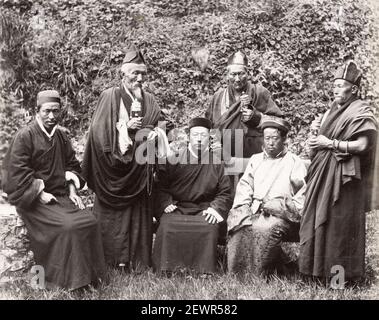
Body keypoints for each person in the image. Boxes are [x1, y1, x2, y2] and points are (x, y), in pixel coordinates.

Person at [1, 90, 105, 290]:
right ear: (36, 111)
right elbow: (16, 174)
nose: (51, 116)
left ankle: (89, 279)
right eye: (47, 111)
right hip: (33, 199)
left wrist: (73, 191)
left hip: (60, 195)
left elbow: (72, 166)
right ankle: (61, 281)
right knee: (68, 227)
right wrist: (39, 192)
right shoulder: (25, 136)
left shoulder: (61, 136)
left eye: (55, 111)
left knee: (89, 221)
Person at [82, 45, 171, 271]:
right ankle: (109, 262)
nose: (139, 78)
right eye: (135, 73)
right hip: (114, 170)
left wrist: (155, 132)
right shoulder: (109, 97)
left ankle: (137, 261)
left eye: (143, 74)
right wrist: (123, 129)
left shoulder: (149, 99)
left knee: (138, 216)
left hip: (139, 170)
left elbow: (163, 122)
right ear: (123, 73)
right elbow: (99, 133)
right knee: (112, 220)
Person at [299, 61, 378, 283]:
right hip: (322, 176)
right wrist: (315, 138)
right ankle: (316, 275)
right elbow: (316, 148)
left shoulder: (360, 110)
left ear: (353, 89)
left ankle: (339, 279)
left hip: (345, 180)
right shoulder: (330, 112)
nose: (335, 89)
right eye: (334, 85)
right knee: (317, 222)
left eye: (341, 85)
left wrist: (330, 143)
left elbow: (362, 146)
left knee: (340, 229)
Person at [227, 117, 307, 275]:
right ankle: (238, 274)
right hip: (255, 209)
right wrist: (243, 206)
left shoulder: (293, 161)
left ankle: (259, 274)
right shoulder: (256, 160)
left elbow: (301, 193)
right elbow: (245, 185)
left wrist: (283, 208)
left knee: (263, 229)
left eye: (275, 138)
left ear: (284, 139)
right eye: (267, 138)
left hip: (280, 213)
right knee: (239, 225)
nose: (270, 143)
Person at [153, 117, 233, 274]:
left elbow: (225, 191)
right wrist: (165, 202)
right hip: (178, 207)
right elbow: (161, 185)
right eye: (195, 135)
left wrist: (215, 209)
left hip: (205, 208)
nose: (198, 139)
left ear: (209, 138)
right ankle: (168, 268)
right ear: (188, 136)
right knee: (167, 225)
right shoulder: (174, 159)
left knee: (208, 227)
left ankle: (202, 270)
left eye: (203, 135)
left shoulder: (216, 162)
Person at [205, 50, 283, 159]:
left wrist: (257, 117)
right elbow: (208, 126)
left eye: (241, 74)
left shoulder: (259, 93)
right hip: (223, 158)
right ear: (227, 75)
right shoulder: (218, 97)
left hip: (253, 158)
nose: (237, 79)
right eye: (233, 74)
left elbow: (280, 123)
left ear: (248, 73)